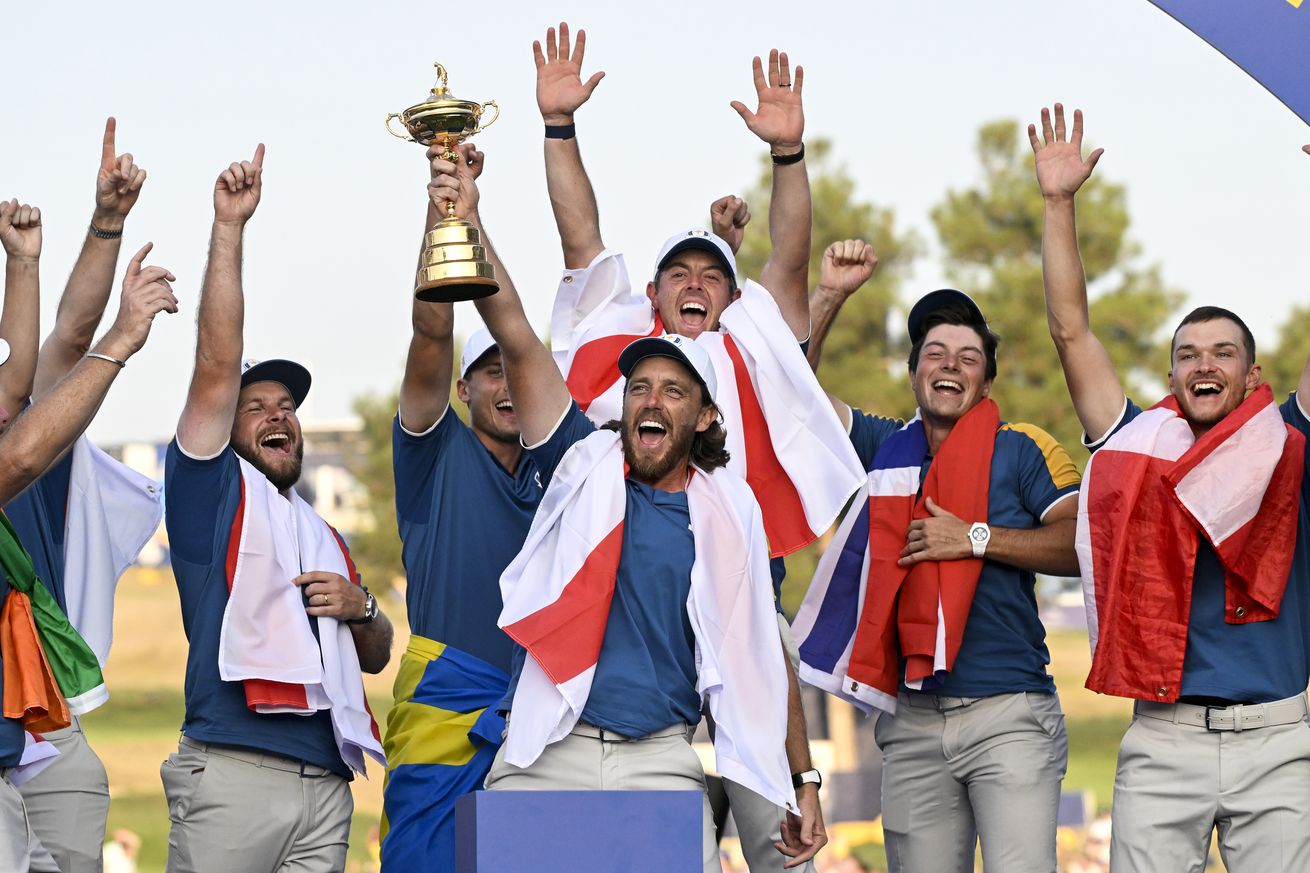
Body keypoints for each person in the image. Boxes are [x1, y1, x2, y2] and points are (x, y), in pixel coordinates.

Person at [427, 143, 821, 872]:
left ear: (704, 416)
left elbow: (765, 659)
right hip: (549, 745)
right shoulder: (580, 460)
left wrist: (803, 778)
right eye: (640, 386)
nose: (651, 399)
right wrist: (469, 221)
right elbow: (513, 328)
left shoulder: (730, 512)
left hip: (660, 757)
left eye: (673, 391)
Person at [535, 24, 849, 867]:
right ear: (652, 293)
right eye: (680, 273)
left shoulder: (749, 338)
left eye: (713, 274)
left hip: (740, 580)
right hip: (633, 590)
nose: (698, 285)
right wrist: (559, 130)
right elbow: (579, 237)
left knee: (783, 841)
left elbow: (789, 257)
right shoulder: (624, 357)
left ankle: (791, 807)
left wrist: (789, 155)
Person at [1032, 103, 1310, 872]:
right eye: (1188, 353)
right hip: (1165, 735)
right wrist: (1058, 205)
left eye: (1223, 351)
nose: (1204, 363)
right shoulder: (1134, 445)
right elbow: (1070, 330)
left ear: (1253, 375)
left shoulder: (1289, 440)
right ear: (1171, 377)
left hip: (1280, 739)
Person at [792, 281, 1082, 873]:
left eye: (968, 357)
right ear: (914, 373)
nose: (950, 364)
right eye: (935, 352)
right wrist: (830, 297)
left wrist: (974, 538)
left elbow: (1080, 546)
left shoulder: (1023, 449)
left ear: (987, 383)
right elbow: (793, 394)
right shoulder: (884, 446)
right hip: (912, 718)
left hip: (1008, 715)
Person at [162, 144, 393, 873]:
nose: (278, 415)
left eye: (287, 405)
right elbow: (215, 362)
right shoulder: (212, 489)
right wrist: (229, 230)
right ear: (224, 426)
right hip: (234, 773)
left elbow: (379, 651)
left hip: (328, 786)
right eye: (256, 404)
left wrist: (362, 606)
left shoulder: (320, 530)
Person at [378, 143, 546, 872]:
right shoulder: (433, 451)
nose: (506, 383)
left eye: (513, 368)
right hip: (446, 711)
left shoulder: (563, 474)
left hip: (538, 719)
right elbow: (431, 332)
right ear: (462, 391)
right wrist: (443, 212)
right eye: (487, 374)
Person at [0, 202, 177, 873]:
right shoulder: (20, 454)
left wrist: (25, 261)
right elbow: (17, 452)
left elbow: (44, 361)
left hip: (41, 712)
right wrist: (124, 338)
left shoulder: (23, 427)